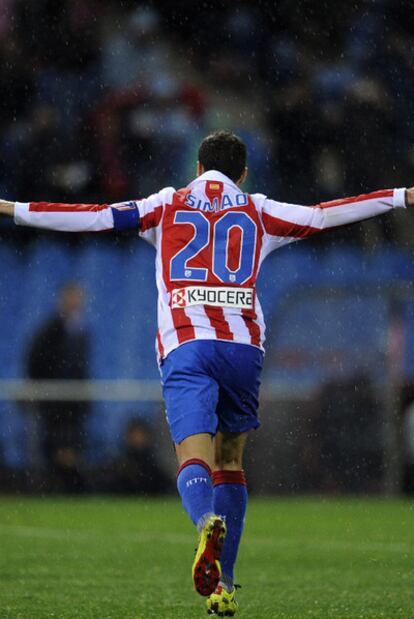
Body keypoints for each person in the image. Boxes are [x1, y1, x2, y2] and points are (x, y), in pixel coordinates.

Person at [0, 130, 412, 616]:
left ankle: (204, 523)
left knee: (192, 457)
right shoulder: (258, 209)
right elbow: (325, 214)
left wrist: (12, 207)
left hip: (188, 344)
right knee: (231, 463)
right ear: (243, 173)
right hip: (241, 348)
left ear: (197, 169)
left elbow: (92, 219)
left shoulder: (166, 205)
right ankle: (226, 586)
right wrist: (399, 196)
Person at [26, 282, 89, 493]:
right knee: (56, 446)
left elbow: (81, 367)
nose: (75, 302)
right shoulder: (50, 330)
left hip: (73, 401)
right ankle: (53, 486)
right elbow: (36, 360)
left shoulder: (80, 330)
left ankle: (65, 487)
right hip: (55, 401)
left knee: (70, 446)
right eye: (71, 297)